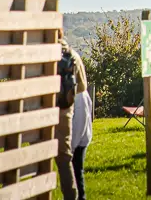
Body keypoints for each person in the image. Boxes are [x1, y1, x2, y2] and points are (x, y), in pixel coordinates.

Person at [55, 38, 88, 200]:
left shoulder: (40, 54)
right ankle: (74, 196)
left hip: (48, 111)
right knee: (68, 160)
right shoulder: (72, 55)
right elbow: (82, 86)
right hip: (69, 110)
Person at [70, 45, 93, 200]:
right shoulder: (72, 54)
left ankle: (80, 196)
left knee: (75, 163)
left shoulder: (65, 56)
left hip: (76, 102)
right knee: (77, 165)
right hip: (81, 100)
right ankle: (80, 195)